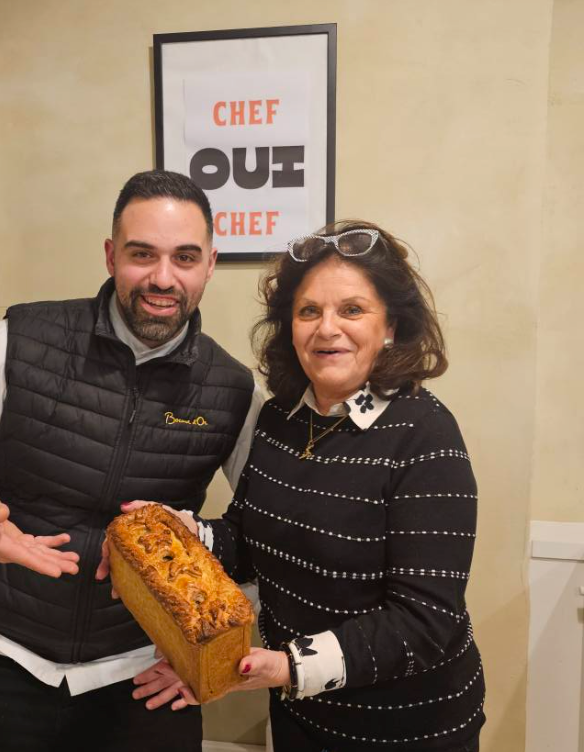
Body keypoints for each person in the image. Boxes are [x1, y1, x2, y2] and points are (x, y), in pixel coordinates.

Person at [0, 169, 263, 752]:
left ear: (210, 264)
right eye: (141, 254)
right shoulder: (22, 338)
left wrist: (209, 661)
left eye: (185, 257)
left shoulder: (231, 389)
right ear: (110, 255)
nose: (162, 278)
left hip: (138, 672)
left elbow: (266, 531)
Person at [133, 221, 486, 752]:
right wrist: (180, 534)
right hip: (301, 717)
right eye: (308, 311)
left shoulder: (425, 434)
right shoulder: (281, 418)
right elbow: (248, 543)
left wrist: (290, 666)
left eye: (351, 310)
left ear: (390, 324)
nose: (327, 329)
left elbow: (426, 622)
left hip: (408, 727)